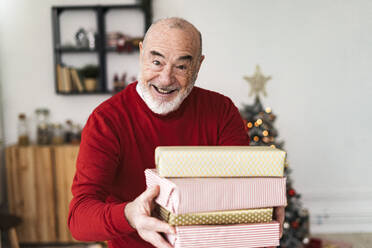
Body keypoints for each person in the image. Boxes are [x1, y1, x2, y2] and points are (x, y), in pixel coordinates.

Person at [68, 17, 284, 248]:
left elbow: (239, 193)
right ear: (142, 54)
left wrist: (264, 204)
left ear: (198, 65)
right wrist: (131, 214)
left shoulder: (222, 111)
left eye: (181, 66)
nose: (165, 79)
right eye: (157, 62)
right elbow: (79, 219)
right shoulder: (107, 120)